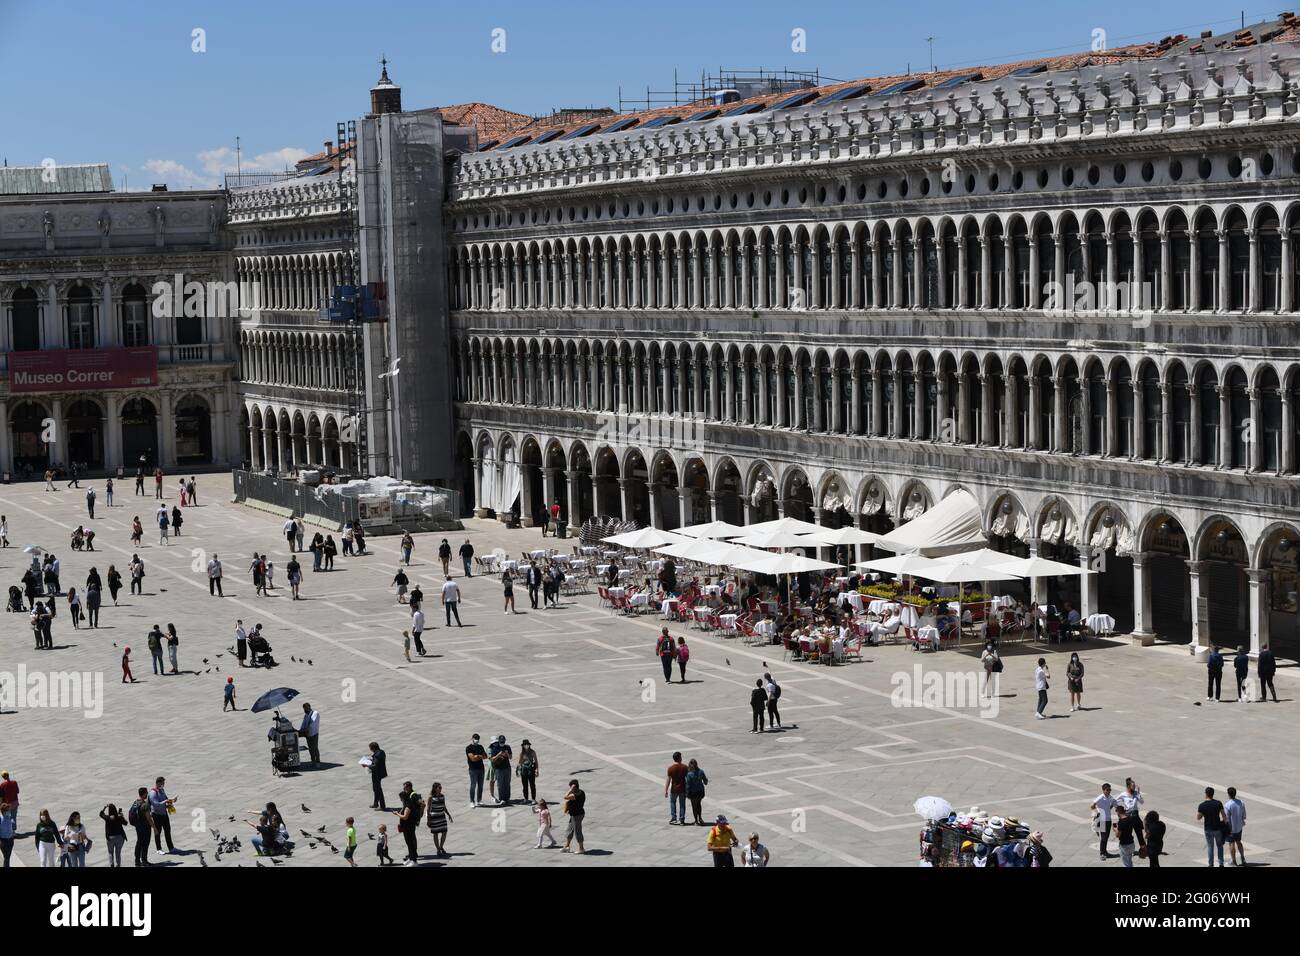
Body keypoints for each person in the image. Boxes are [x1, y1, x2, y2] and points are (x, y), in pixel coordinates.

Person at [1197, 786, 1227, 867]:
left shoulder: (1202, 805)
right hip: (1218, 828)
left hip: (1208, 829)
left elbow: (1198, 818)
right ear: (1213, 794)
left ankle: (1211, 864)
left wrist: (1204, 813)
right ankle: (1221, 863)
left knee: (1210, 846)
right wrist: (1226, 825)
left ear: (1206, 794)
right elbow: (1224, 816)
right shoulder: (1218, 803)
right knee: (1220, 846)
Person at [148, 777, 176, 853]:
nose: (163, 785)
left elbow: (165, 800)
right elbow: (156, 804)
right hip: (157, 815)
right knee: (158, 832)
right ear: (158, 783)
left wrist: (171, 801)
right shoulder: (153, 793)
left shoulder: (162, 790)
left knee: (167, 830)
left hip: (164, 813)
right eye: (162, 783)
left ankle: (171, 847)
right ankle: (159, 849)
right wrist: (166, 801)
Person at [1116, 778, 1145, 850]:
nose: (1134, 787)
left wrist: (1138, 793)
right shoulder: (1123, 794)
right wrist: (1120, 809)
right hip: (1128, 815)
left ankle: (1143, 849)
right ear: (1128, 786)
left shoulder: (1136, 793)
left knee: (1139, 833)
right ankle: (1129, 849)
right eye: (1133, 786)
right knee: (1127, 833)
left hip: (1135, 815)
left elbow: (1142, 802)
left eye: (1135, 786)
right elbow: (1115, 801)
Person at [397, 784, 422, 866]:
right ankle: (411, 858)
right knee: (408, 843)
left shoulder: (408, 804)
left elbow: (405, 817)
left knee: (410, 843)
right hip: (406, 827)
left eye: (401, 799)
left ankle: (414, 861)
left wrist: (397, 814)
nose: (400, 800)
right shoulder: (406, 804)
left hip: (409, 826)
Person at [1091, 782, 1117, 861]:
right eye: (1107, 790)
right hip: (1102, 820)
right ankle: (1102, 853)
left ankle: (1105, 852)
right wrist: (1097, 809)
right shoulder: (1100, 798)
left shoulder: (1110, 797)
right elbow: (1092, 806)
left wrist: (1110, 807)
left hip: (1108, 820)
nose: (1109, 791)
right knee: (1103, 837)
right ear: (1103, 790)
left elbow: (1115, 805)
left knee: (1106, 837)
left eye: (1110, 790)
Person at [426, 782, 451, 857]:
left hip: (442, 816)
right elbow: (428, 809)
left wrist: (449, 814)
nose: (440, 789)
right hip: (434, 817)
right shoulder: (431, 797)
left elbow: (444, 806)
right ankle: (438, 849)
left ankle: (441, 847)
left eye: (441, 787)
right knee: (435, 833)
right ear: (435, 788)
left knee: (444, 832)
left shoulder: (442, 796)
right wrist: (428, 819)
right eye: (439, 788)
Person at [562, 780, 585, 854]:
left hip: (577, 815)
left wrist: (570, 790)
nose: (570, 788)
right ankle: (567, 846)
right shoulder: (581, 791)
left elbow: (565, 797)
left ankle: (581, 849)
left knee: (577, 831)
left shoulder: (574, 795)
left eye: (571, 787)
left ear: (574, 787)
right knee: (570, 830)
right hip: (575, 814)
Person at [1225, 787, 1247, 866]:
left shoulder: (1228, 804)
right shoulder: (1241, 802)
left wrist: (1229, 829)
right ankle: (1243, 858)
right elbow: (1244, 815)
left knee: (1231, 844)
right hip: (1239, 827)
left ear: (1228, 794)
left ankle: (1234, 861)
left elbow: (1227, 818)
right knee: (1239, 842)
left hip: (1231, 828)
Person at [665, 751, 689, 825]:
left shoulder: (670, 768)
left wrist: (666, 790)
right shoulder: (685, 767)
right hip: (682, 789)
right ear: (679, 758)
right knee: (682, 804)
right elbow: (688, 779)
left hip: (674, 789)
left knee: (673, 802)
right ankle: (682, 819)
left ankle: (674, 818)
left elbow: (668, 780)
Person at [489, 735, 513, 805]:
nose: (502, 743)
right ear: (499, 741)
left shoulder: (507, 747)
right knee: (500, 784)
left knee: (507, 783)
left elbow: (511, 757)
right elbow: (492, 759)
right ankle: (502, 799)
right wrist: (499, 754)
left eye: (503, 741)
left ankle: (507, 798)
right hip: (499, 769)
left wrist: (507, 754)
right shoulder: (495, 748)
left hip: (507, 768)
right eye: (501, 741)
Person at [685, 759, 709, 826]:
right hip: (701, 792)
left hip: (693, 793)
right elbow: (705, 782)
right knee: (699, 804)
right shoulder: (701, 771)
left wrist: (687, 794)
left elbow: (688, 785)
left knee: (694, 806)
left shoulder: (689, 774)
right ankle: (700, 818)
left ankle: (696, 820)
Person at [466, 733, 487, 807]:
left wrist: (478, 756)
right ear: (472, 738)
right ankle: (472, 801)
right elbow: (472, 758)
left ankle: (479, 800)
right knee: (473, 785)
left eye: (477, 739)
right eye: (475, 738)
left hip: (481, 769)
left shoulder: (480, 747)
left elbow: (485, 756)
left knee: (480, 785)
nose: (476, 740)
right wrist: (479, 756)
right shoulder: (469, 748)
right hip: (473, 769)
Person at [298, 702, 321, 767]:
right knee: (310, 748)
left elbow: (312, 724)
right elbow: (303, 724)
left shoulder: (315, 713)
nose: (305, 710)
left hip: (314, 734)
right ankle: (313, 760)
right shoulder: (306, 715)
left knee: (315, 747)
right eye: (304, 709)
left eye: (305, 708)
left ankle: (318, 761)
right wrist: (301, 730)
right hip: (307, 734)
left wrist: (306, 729)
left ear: (309, 707)